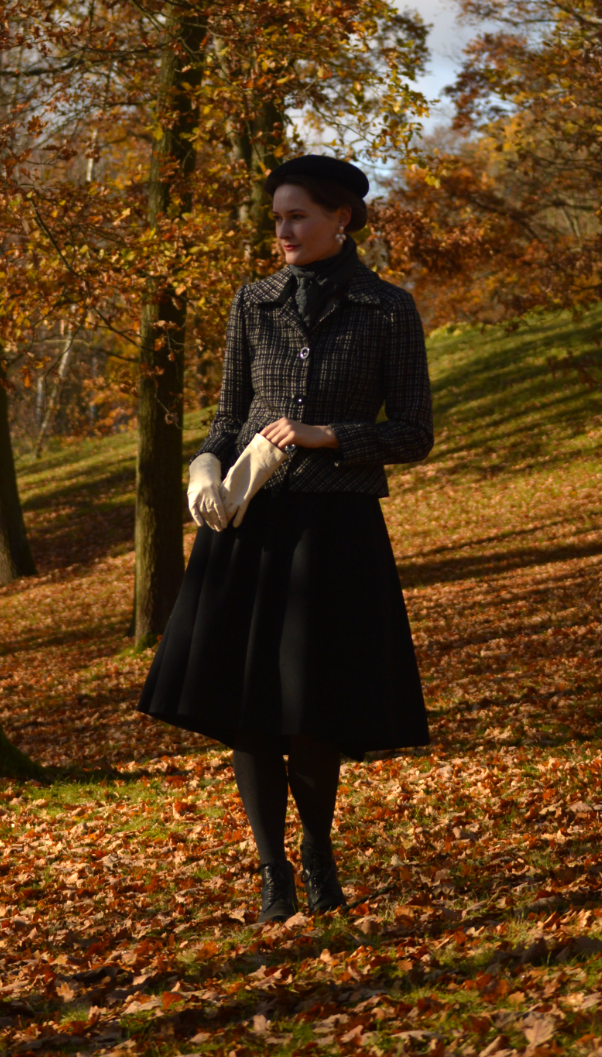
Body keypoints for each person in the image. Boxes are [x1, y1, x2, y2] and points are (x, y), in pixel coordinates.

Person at [138, 154, 434, 922]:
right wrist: (206, 466)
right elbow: (230, 415)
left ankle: (320, 861)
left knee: (312, 709)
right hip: (249, 529)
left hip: (335, 534)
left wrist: (325, 434)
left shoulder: (388, 309)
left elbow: (413, 432)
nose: (284, 232)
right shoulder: (254, 302)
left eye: (297, 216)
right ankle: (273, 874)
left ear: (342, 218)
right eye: (277, 219)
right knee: (250, 710)